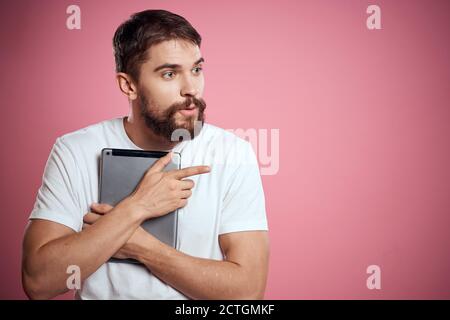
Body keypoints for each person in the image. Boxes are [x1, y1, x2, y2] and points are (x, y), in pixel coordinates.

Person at [22, 9, 269, 300]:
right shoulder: (75, 150)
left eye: (197, 70)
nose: (191, 89)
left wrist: (138, 244)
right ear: (129, 85)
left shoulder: (232, 153)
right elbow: (38, 281)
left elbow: (248, 293)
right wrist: (138, 206)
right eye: (169, 73)